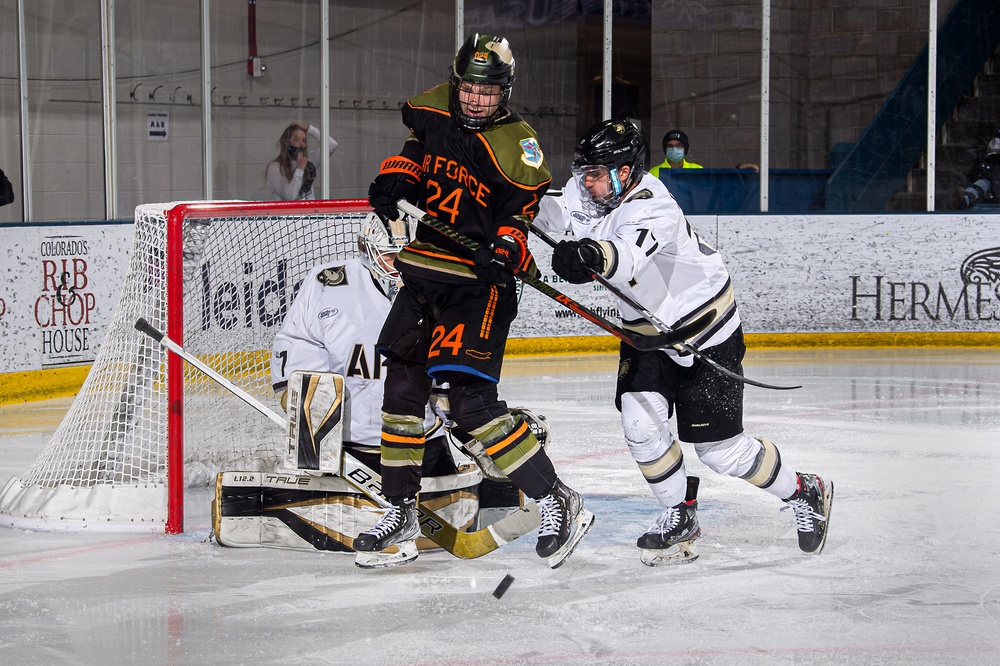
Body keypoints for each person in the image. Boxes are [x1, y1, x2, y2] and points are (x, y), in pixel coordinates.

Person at [534, 119, 833, 566]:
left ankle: (805, 491)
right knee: (639, 426)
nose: (587, 182)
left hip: (705, 332)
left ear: (627, 171)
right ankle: (679, 514)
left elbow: (624, 255)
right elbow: (541, 211)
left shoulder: (654, 205)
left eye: (598, 174)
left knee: (720, 452)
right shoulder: (585, 189)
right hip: (647, 333)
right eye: (585, 173)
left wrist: (588, 256)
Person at [355, 32, 594, 569]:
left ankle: (558, 498)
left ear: (505, 90)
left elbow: (521, 212)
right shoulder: (436, 106)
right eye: (468, 86)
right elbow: (417, 150)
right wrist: (397, 177)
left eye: (487, 90)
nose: (475, 98)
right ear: (457, 80)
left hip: (478, 283)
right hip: (425, 268)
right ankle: (402, 507)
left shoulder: (518, 142)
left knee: (470, 405)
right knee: (400, 389)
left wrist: (505, 246)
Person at [265, 123, 338, 200]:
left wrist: (309, 129)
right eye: (296, 139)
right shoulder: (275, 167)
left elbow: (332, 145)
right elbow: (289, 197)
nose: (302, 144)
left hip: (310, 211)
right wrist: (300, 170)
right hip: (289, 212)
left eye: (304, 141)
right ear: (285, 141)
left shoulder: (309, 160)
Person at [957, 127, 1000, 209]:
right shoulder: (997, 141)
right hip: (993, 179)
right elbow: (992, 159)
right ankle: (965, 199)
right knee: (980, 186)